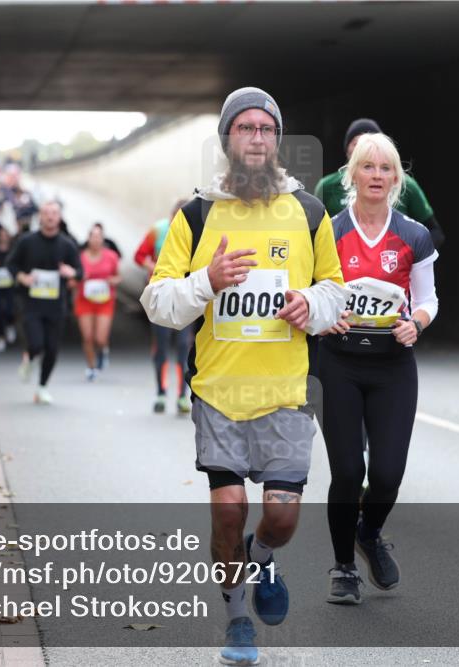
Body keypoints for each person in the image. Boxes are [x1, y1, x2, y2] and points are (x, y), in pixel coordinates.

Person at [141, 87, 346, 666]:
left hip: (286, 392)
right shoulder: (197, 213)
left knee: (279, 518)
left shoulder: (308, 212)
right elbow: (157, 301)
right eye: (245, 128)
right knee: (228, 509)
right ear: (227, 139)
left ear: (277, 141)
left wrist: (313, 305)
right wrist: (206, 280)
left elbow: (334, 288)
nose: (256, 138)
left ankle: (262, 556)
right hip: (219, 392)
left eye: (266, 129)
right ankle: (237, 621)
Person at [315, 133, 438, 604]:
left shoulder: (413, 234)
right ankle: (344, 566)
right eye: (368, 167)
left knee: (386, 474)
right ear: (352, 174)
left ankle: (370, 532)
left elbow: (426, 298)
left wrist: (417, 323)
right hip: (340, 363)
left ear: (396, 178)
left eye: (386, 169)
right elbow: (311, 291)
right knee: (348, 471)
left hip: (393, 366)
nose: (377, 176)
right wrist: (326, 316)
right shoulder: (328, 230)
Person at [315, 118, 445, 249]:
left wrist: (406, 256)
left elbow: (435, 232)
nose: (377, 176)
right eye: (357, 143)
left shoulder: (406, 185)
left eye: (385, 168)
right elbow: (313, 236)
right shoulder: (327, 187)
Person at [6, 200, 83, 405]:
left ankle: (42, 387)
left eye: (54, 213)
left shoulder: (67, 244)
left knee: (52, 348)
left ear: (59, 217)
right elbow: (11, 264)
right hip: (31, 303)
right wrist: (22, 277)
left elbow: (80, 271)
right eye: (46, 213)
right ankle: (30, 357)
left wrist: (71, 272)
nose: (50, 217)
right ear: (40, 216)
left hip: (57, 306)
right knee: (36, 343)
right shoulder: (27, 241)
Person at [134, 201, 193, 414]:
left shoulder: (195, 232)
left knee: (183, 347)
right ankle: (160, 392)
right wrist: (152, 266)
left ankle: (181, 397)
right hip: (161, 298)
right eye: (175, 217)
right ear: (170, 216)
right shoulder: (158, 230)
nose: (179, 222)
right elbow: (139, 255)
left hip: (184, 299)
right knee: (161, 345)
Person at [75, 223, 121, 380]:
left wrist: (112, 280)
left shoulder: (111, 256)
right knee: (87, 337)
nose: (95, 240)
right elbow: (72, 281)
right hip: (85, 300)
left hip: (104, 300)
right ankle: (91, 367)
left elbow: (118, 277)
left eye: (98, 236)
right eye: (92, 236)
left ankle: (103, 350)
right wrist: (80, 278)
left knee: (100, 338)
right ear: (88, 239)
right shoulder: (80, 257)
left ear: (102, 238)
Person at [0, 224, 18, 352]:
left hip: (10, 285)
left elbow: (18, 264)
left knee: (10, 309)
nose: (3, 237)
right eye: (1, 234)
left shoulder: (13, 250)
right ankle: (1, 337)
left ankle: (10, 325)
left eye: (6, 234)